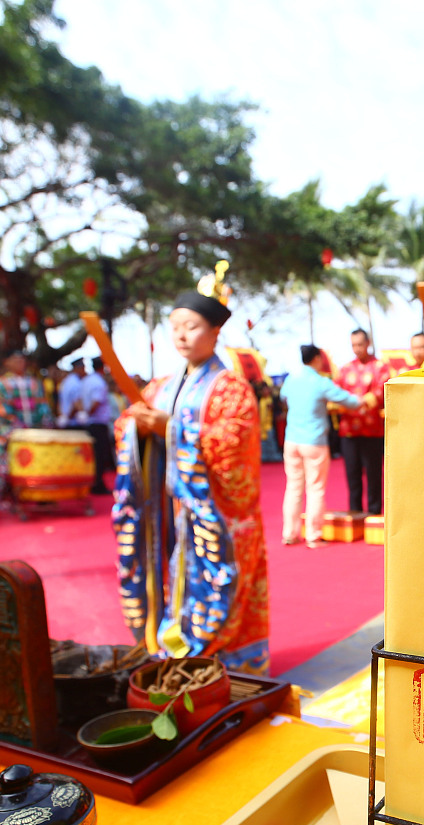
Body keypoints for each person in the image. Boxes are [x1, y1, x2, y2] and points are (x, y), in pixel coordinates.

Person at [112, 274, 269, 677]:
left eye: (192, 326)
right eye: (175, 327)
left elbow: (233, 442)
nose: (181, 336)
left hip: (216, 514)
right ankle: (176, 647)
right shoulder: (161, 386)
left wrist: (172, 428)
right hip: (170, 512)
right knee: (169, 578)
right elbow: (125, 425)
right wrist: (138, 427)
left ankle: (228, 663)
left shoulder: (230, 388)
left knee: (223, 586)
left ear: (216, 332)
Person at [279, 344, 364, 547]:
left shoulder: (292, 378)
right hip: (314, 440)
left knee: (293, 487)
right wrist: (363, 400)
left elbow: (283, 397)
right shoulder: (320, 382)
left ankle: (289, 533)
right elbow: (350, 401)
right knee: (315, 488)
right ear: (317, 358)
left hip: (292, 440)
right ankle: (313, 535)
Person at [335, 328, 390, 515]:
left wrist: (357, 402)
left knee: (374, 476)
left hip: (372, 431)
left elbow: (381, 392)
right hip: (349, 431)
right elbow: (336, 394)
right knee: (353, 476)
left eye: (360, 344)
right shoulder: (345, 369)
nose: (357, 348)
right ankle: (355, 515)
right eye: (353, 345)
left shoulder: (379, 367)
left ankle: (374, 514)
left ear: (368, 344)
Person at [0, 348, 52, 503]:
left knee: (39, 459)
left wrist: (45, 422)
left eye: (22, 359)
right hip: (12, 431)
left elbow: (42, 404)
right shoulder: (1, 383)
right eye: (16, 360)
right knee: (11, 461)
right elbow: (1, 408)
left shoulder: (34, 382)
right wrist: (16, 425)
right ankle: (11, 495)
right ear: (7, 362)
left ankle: (42, 493)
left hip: (35, 429)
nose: (20, 363)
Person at [81, 356, 115, 494]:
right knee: (99, 455)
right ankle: (97, 484)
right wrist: (89, 413)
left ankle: (94, 483)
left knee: (94, 455)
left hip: (91, 423)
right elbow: (96, 402)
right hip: (98, 423)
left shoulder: (87, 380)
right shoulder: (98, 382)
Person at [58, 358, 87, 425]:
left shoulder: (65, 381)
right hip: (72, 422)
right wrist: (68, 417)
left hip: (64, 420)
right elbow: (76, 403)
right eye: (83, 368)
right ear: (77, 368)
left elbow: (60, 403)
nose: (84, 370)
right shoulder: (76, 382)